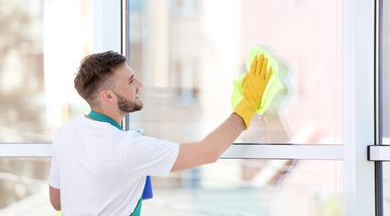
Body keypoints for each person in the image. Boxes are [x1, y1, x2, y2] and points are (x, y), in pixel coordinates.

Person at [48, 50, 272, 215]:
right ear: (108, 96)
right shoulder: (125, 147)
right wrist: (248, 104)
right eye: (130, 80)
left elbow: (57, 200)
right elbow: (209, 151)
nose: (139, 84)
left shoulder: (65, 134)